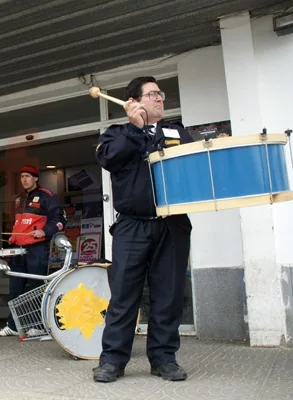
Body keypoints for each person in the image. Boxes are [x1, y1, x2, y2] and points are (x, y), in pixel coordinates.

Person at [93, 76, 193, 382]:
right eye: (152, 95)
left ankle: (163, 358)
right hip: (132, 226)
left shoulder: (177, 131)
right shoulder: (117, 134)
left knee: (168, 294)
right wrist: (136, 129)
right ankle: (112, 360)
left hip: (173, 224)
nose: (160, 98)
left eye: (160, 94)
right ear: (133, 102)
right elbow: (109, 159)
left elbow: (194, 166)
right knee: (124, 294)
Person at [0, 165, 66, 337]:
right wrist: (13, 236)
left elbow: (60, 219)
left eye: (27, 176)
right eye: (22, 176)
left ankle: (39, 326)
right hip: (18, 249)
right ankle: (13, 326)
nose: (24, 179)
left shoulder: (48, 197)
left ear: (35, 178)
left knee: (35, 287)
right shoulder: (19, 199)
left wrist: (44, 231)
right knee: (15, 287)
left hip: (37, 248)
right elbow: (19, 224)